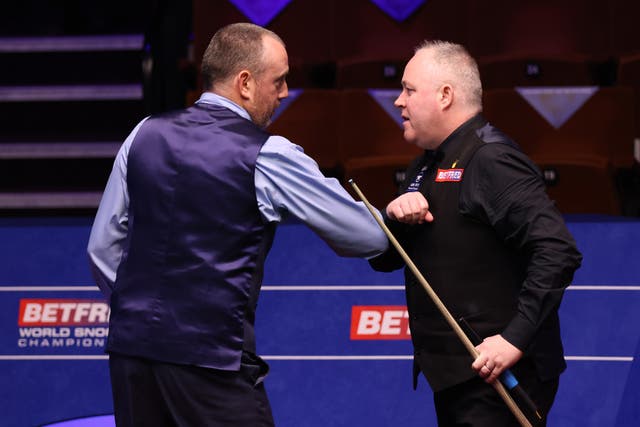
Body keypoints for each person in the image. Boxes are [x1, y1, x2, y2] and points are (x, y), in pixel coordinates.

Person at [87, 22, 388, 427]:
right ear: (245, 83)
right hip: (211, 360)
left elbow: (102, 248)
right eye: (278, 81)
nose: (284, 93)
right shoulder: (268, 154)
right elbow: (364, 236)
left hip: (131, 356)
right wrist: (398, 218)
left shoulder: (143, 133)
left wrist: (139, 314)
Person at [369, 40, 582, 426]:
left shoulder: (492, 159)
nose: (398, 101)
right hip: (460, 377)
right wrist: (392, 217)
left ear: (446, 95)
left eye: (409, 89)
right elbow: (384, 259)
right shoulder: (425, 164)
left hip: (500, 376)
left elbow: (557, 249)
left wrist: (513, 339)